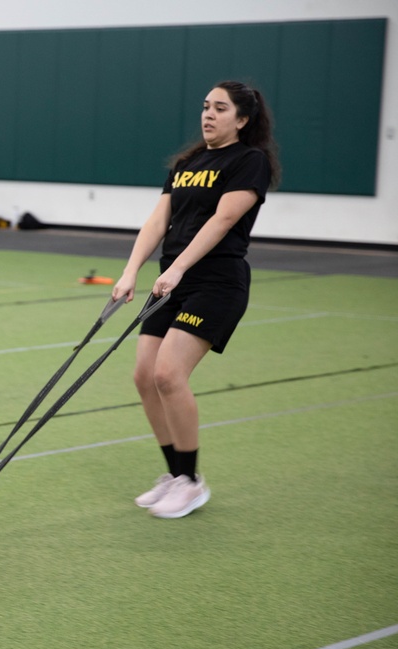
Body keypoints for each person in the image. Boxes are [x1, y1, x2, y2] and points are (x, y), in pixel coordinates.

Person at [111, 80, 280, 519]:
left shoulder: (250, 161)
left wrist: (179, 267)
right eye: (206, 106)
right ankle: (174, 475)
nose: (208, 114)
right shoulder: (187, 163)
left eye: (220, 108)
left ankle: (191, 481)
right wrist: (131, 270)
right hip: (172, 279)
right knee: (145, 376)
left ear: (242, 120)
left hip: (217, 282)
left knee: (169, 373)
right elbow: (158, 219)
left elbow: (223, 220)